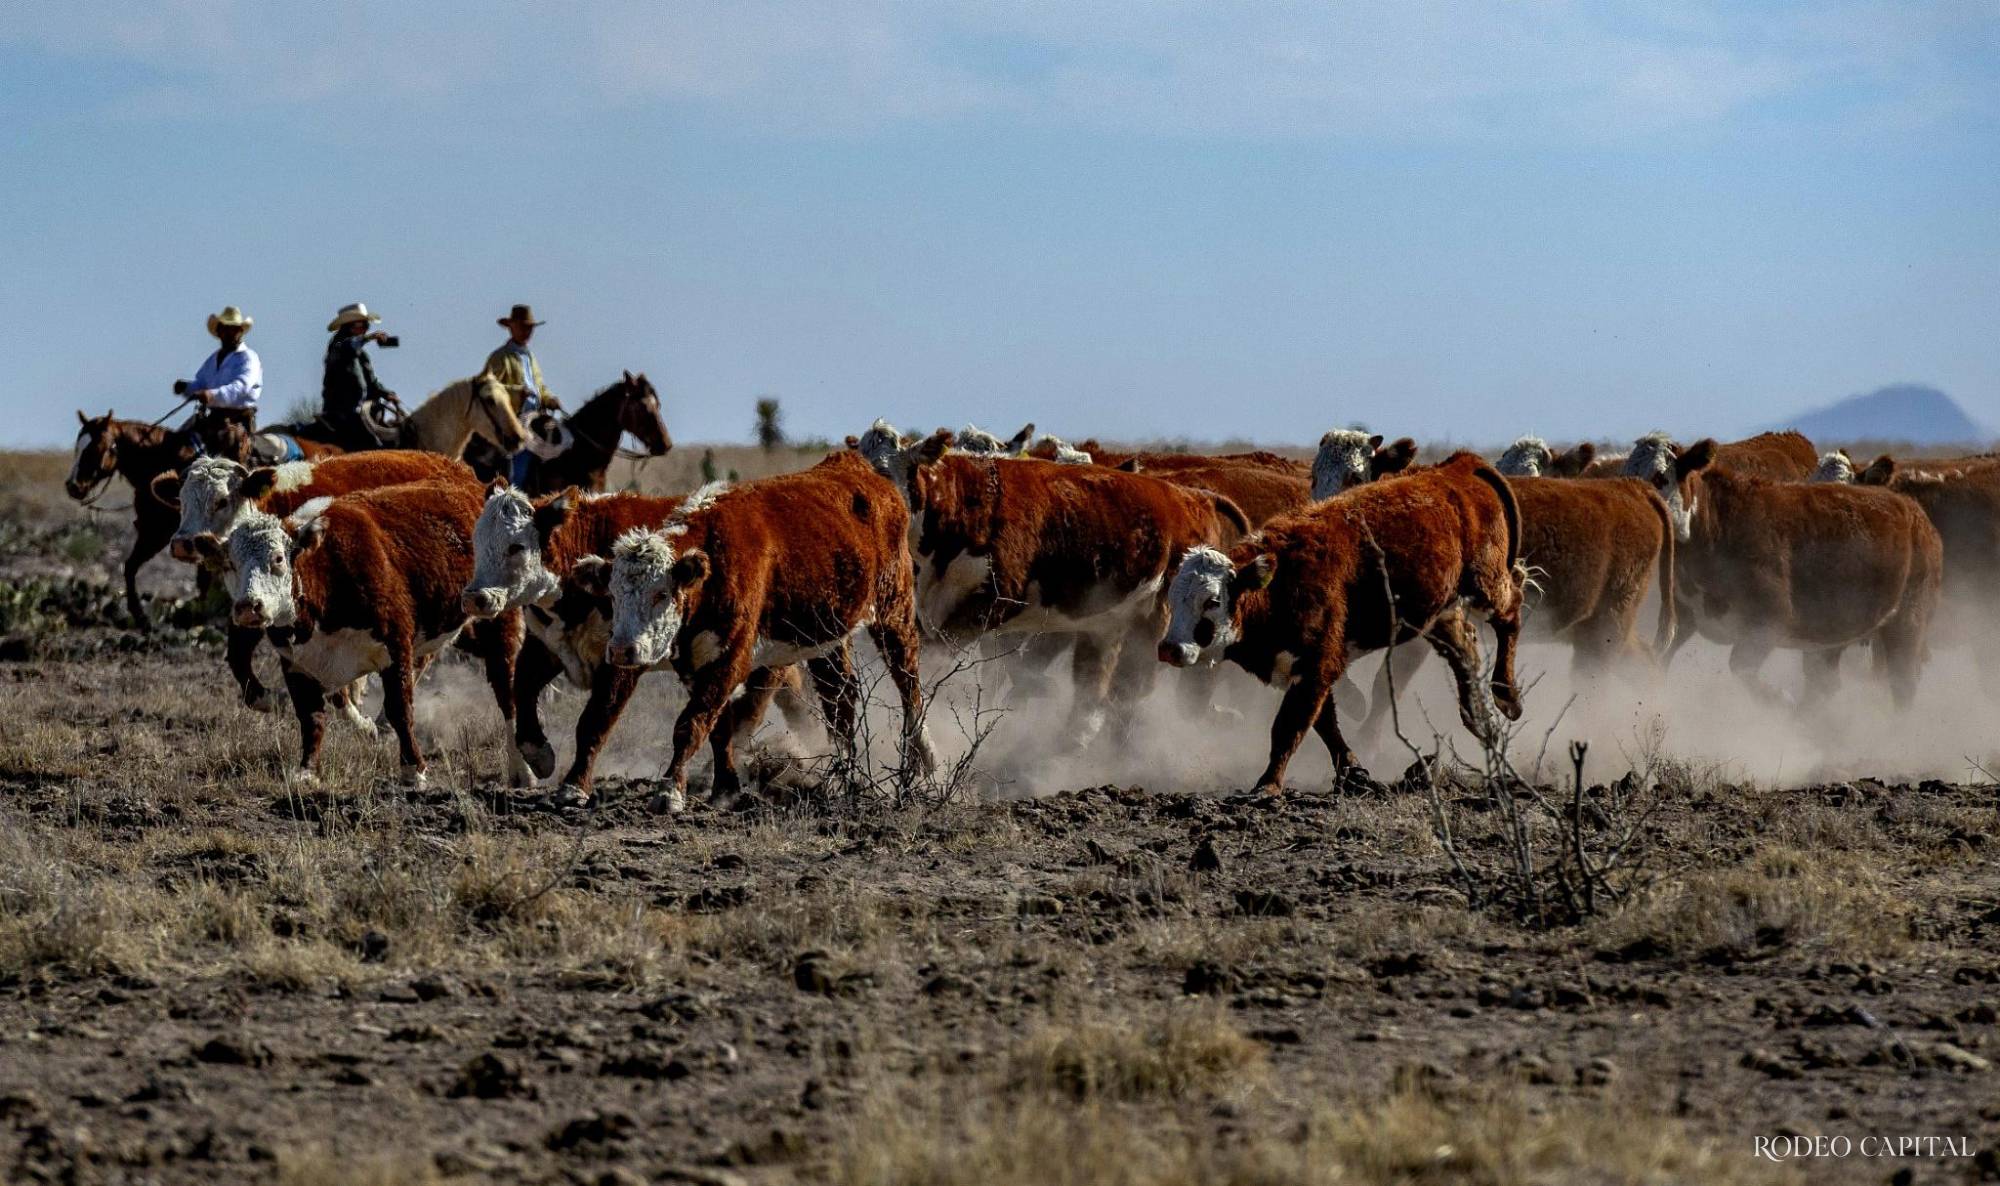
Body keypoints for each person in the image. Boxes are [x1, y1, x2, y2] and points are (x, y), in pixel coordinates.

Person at [482, 304, 562, 486]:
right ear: (511, 327)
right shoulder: (500, 357)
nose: (527, 332)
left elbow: (539, 386)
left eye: (530, 328)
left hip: (534, 418)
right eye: (523, 327)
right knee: (519, 455)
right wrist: (517, 393)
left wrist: (549, 398)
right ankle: (513, 491)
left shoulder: (530, 357)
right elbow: (489, 388)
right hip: (511, 420)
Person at [182, 305, 262, 458]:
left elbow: (240, 387)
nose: (228, 333)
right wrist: (187, 387)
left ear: (240, 331)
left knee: (230, 449)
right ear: (218, 332)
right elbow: (201, 383)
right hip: (212, 419)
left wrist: (211, 395)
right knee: (180, 441)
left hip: (237, 421)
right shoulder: (213, 359)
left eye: (233, 329)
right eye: (225, 328)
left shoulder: (248, 358)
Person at [321, 302, 400, 450]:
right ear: (350, 326)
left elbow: (371, 382)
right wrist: (369, 338)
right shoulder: (337, 346)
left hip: (362, 410)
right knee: (374, 446)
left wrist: (387, 394)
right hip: (343, 412)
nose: (365, 329)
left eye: (366, 325)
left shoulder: (361, 355)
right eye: (362, 325)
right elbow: (349, 346)